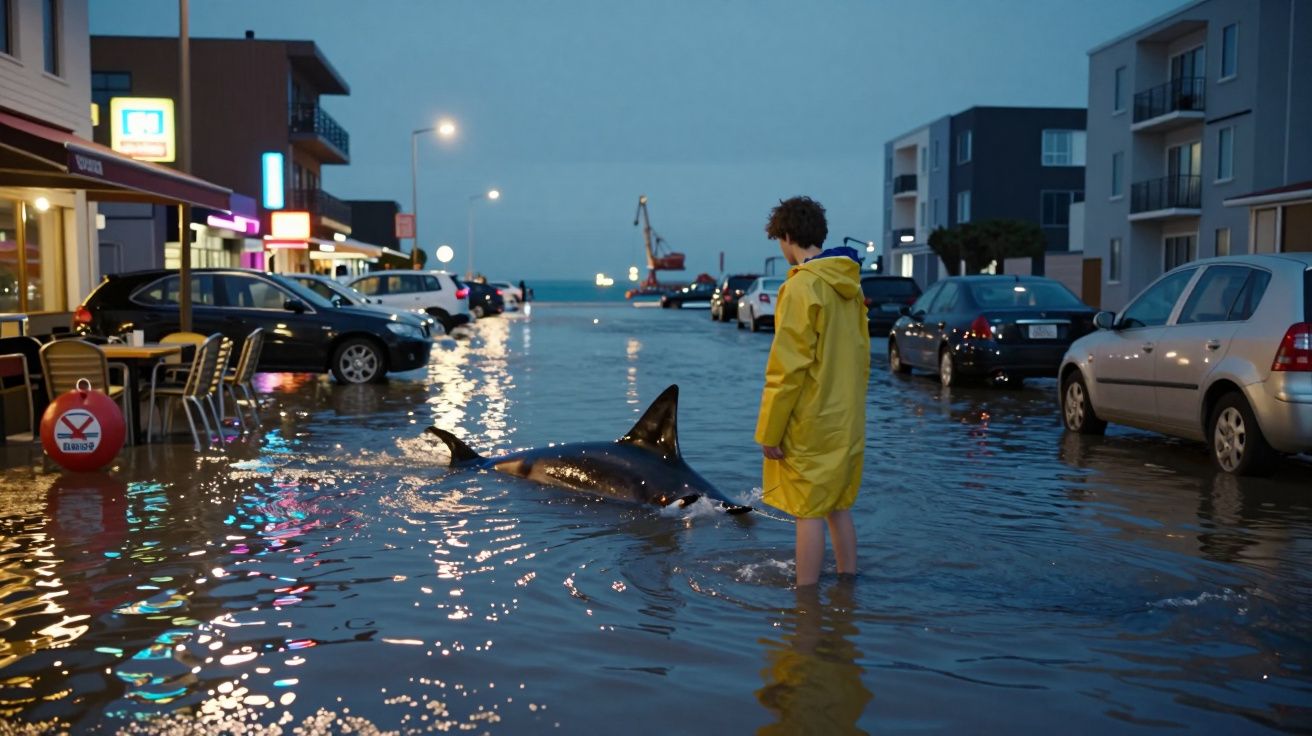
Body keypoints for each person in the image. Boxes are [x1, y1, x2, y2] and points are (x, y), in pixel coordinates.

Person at [756, 196, 870, 587]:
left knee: (808, 511)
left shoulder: (803, 288)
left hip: (812, 419)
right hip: (847, 416)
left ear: (788, 236)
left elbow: (787, 367)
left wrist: (770, 432)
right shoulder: (849, 285)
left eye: (780, 241)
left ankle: (805, 601)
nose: (782, 250)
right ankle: (847, 587)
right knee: (838, 504)